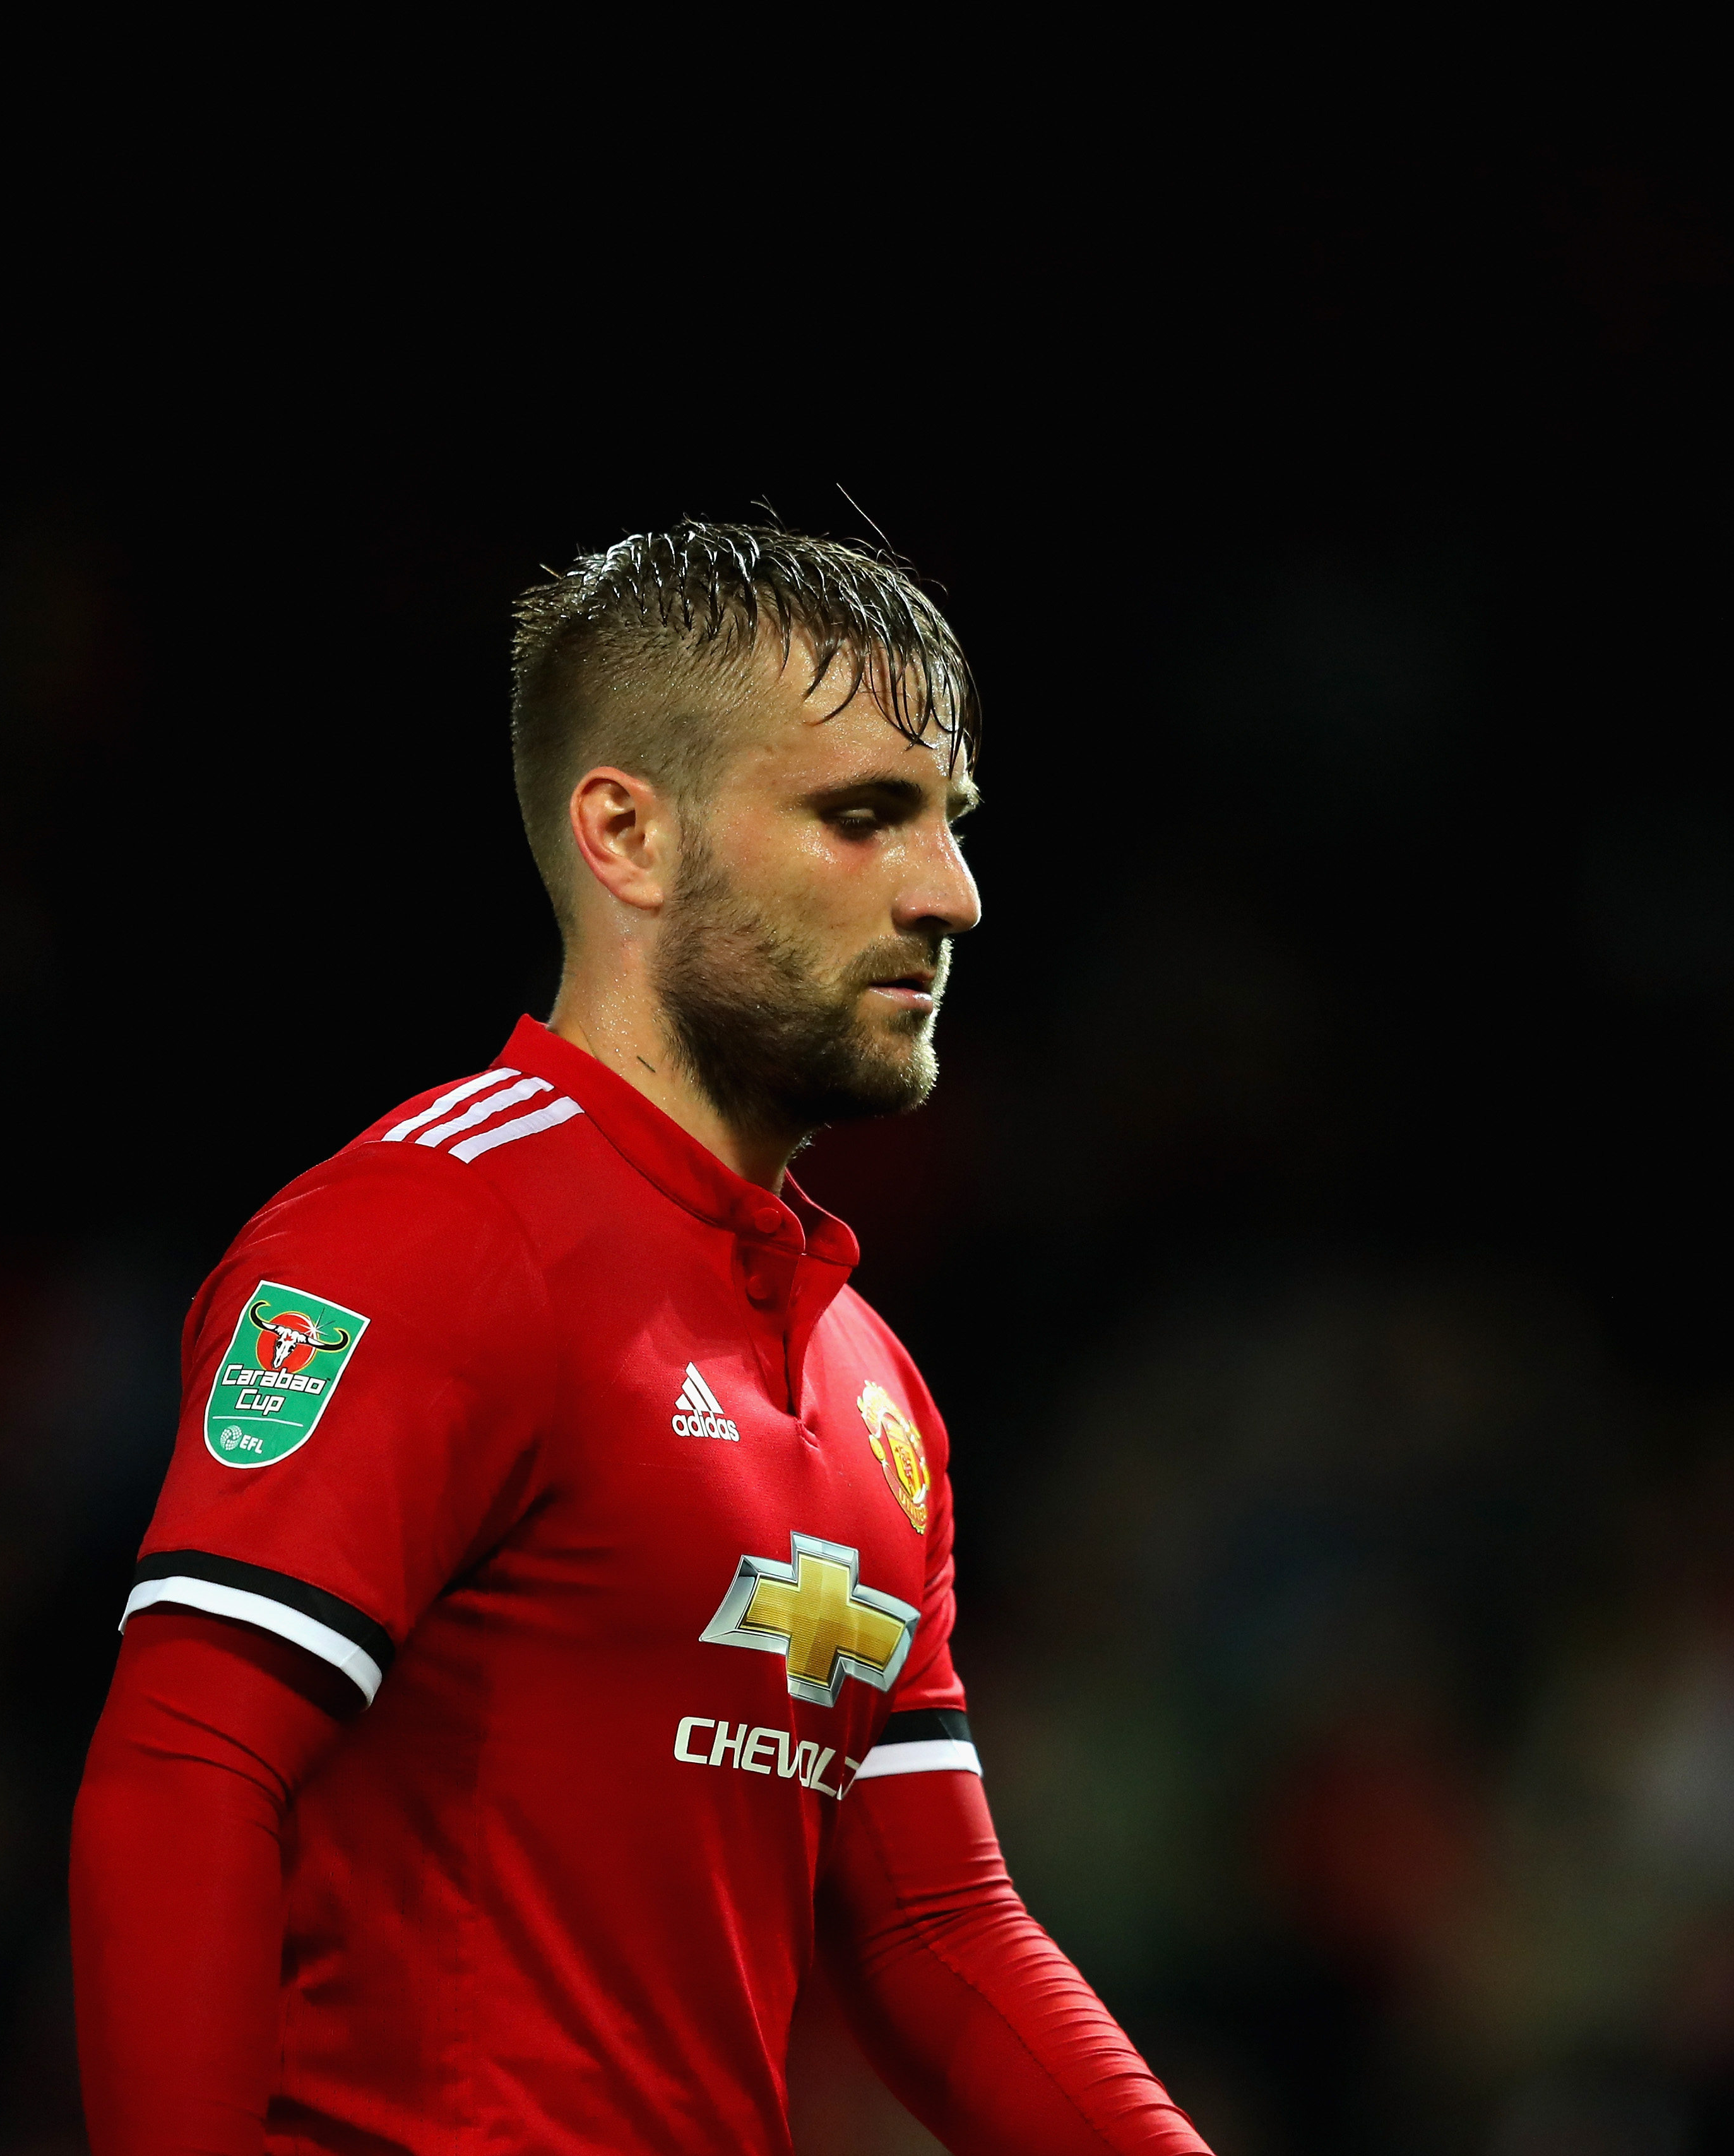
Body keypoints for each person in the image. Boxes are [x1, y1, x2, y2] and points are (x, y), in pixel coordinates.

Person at [69, 524, 1209, 2155]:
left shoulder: (872, 1383)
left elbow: (936, 1934)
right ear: (629, 836)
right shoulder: (430, 1241)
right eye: (862, 815)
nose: (951, 894)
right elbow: (181, 1775)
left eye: (948, 825)